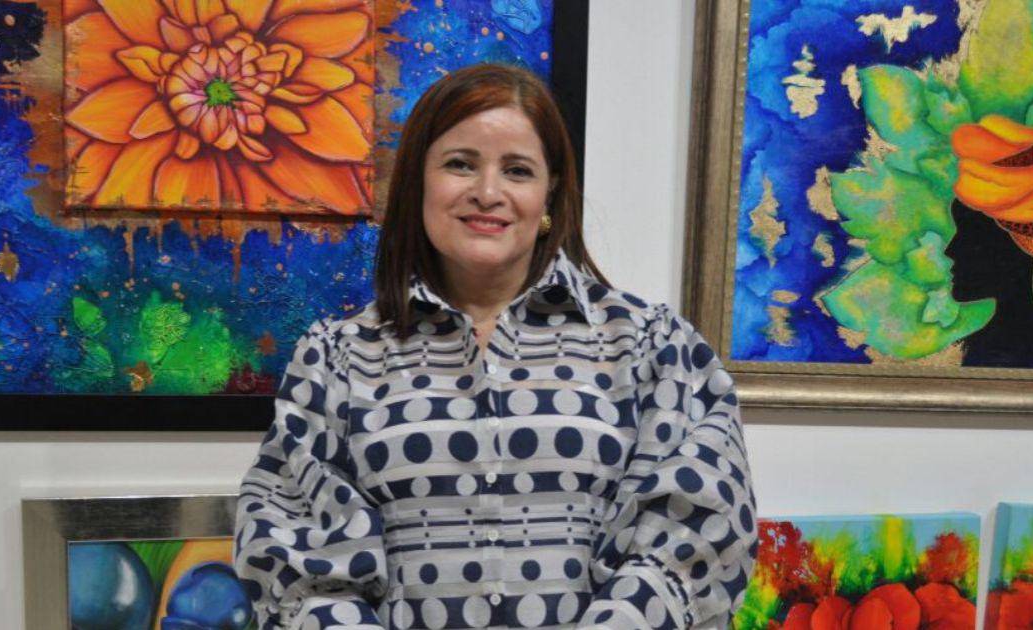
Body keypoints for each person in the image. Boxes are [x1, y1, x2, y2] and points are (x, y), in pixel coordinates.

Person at [234, 63, 756, 630]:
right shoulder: (336, 359)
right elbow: (300, 557)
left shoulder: (653, 347)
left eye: (517, 170)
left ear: (549, 191)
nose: (487, 193)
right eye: (460, 164)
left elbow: (693, 536)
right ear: (418, 181)